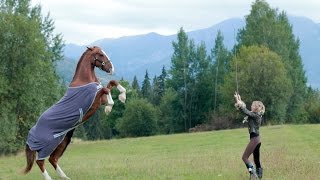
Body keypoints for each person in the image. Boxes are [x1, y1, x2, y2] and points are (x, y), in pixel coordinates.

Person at [234, 92, 265, 179]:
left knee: (245, 157)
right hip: (257, 139)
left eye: (252, 105)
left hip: (255, 139)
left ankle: (253, 174)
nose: (251, 106)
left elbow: (245, 111)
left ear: (256, 107)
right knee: (256, 160)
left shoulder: (255, 115)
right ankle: (259, 175)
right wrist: (239, 100)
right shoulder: (256, 115)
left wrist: (238, 101)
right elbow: (245, 110)